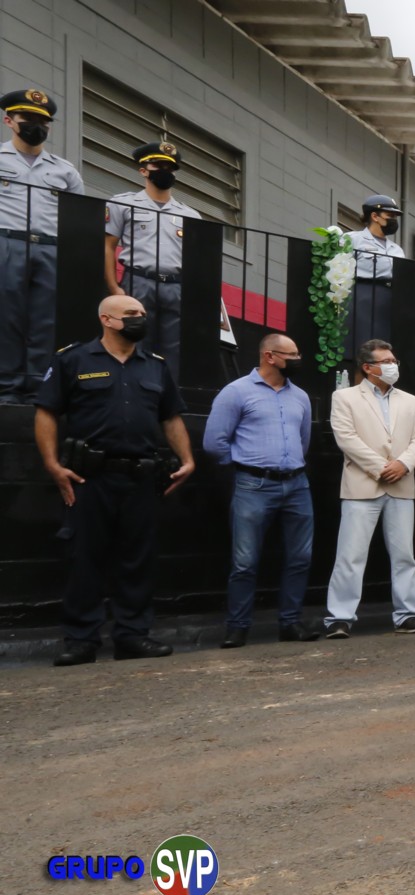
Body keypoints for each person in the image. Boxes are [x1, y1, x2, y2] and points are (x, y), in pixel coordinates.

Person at [35, 295, 194, 666]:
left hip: (141, 477)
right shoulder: (73, 359)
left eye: (142, 313)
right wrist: (52, 465)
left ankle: (132, 636)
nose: (140, 318)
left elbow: (170, 417)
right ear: (106, 319)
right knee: (84, 558)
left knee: (137, 560)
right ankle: (81, 640)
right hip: (89, 477)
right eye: (131, 314)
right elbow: (46, 412)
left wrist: (187, 459)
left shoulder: (154, 366)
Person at [202, 333, 318, 647]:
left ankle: (290, 623)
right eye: (291, 355)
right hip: (253, 484)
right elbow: (214, 442)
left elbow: (303, 440)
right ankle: (238, 627)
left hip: (297, 484)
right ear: (269, 356)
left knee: (300, 557)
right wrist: (245, 467)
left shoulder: (301, 397)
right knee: (245, 561)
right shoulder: (236, 392)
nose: (297, 360)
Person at [323, 339, 415, 637]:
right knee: (351, 555)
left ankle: (407, 615)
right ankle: (339, 618)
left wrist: (404, 464)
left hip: (401, 485)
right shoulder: (344, 397)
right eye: (386, 361)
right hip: (362, 485)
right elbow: (346, 438)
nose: (393, 366)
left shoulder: (408, 400)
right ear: (368, 368)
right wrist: (382, 467)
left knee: (404, 555)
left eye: (394, 360)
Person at [1, 88, 84, 402]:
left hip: (51, 248)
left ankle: (38, 386)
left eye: (43, 121)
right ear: (10, 120)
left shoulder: (65, 170)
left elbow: (77, 217)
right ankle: (6, 386)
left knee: (45, 320)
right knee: (6, 316)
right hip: (6, 242)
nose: (36, 125)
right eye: (28, 118)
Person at [104, 142, 201, 382]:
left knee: (174, 347)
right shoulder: (123, 203)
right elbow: (108, 246)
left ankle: (166, 397)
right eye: (158, 165)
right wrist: (114, 287)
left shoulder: (190, 215)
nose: (164, 170)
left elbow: (197, 259)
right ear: (143, 170)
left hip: (176, 285)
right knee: (135, 340)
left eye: (170, 167)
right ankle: (133, 391)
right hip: (138, 281)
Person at [344, 194, 407, 358]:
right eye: (390, 215)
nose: (394, 220)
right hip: (361, 294)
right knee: (359, 345)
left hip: (387, 298)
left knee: (382, 347)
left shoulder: (397, 250)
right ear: (375, 216)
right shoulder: (352, 239)